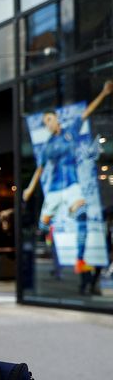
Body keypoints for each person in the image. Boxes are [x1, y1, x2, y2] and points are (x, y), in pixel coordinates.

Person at [22, 81, 113, 275]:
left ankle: (79, 260)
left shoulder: (71, 132)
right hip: (54, 189)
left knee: (82, 215)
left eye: (49, 120)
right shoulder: (47, 146)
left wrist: (104, 93)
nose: (47, 124)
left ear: (56, 119)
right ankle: (49, 234)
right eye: (45, 122)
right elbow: (40, 169)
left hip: (72, 184)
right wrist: (30, 189)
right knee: (43, 224)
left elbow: (86, 113)